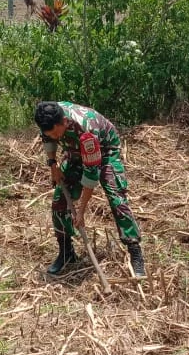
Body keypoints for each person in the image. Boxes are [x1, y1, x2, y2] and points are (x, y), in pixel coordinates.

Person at [34, 101, 146, 278]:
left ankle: (135, 251)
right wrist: (53, 165)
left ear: (64, 121)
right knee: (58, 203)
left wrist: (81, 211)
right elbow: (47, 137)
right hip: (74, 152)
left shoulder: (87, 131)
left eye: (57, 133)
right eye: (51, 133)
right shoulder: (48, 117)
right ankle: (66, 253)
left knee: (116, 197)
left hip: (106, 150)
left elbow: (90, 177)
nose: (55, 137)